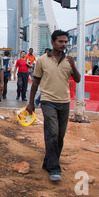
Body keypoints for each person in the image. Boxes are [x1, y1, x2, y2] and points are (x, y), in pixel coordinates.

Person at [26, 30, 81, 182]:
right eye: (60, 41)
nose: (64, 44)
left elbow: (77, 79)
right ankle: (54, 169)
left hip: (64, 102)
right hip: (48, 101)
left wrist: (73, 66)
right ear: (52, 42)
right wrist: (31, 103)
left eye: (65, 42)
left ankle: (48, 162)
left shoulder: (69, 60)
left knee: (60, 136)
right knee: (52, 133)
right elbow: (35, 83)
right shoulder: (42, 60)